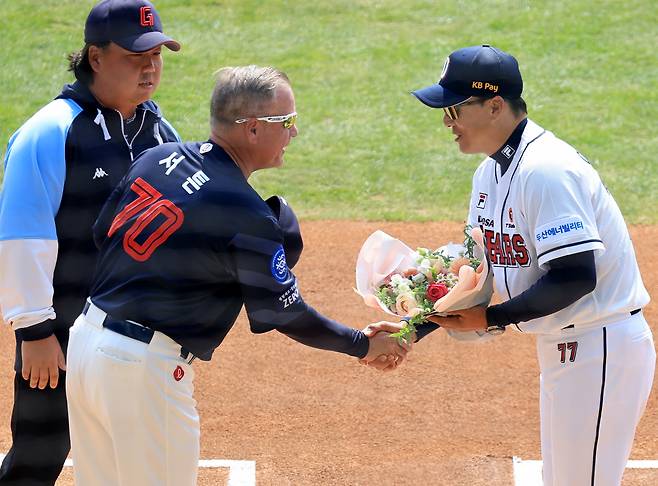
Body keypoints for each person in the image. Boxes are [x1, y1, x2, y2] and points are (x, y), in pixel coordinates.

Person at [65, 65, 409, 486]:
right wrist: (362, 344)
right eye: (287, 122)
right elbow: (284, 313)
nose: (294, 134)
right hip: (142, 373)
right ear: (251, 129)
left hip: (85, 347)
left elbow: (104, 233)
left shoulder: (157, 158)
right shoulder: (245, 212)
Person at [405, 44, 654, 485]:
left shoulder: (547, 171)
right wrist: (412, 328)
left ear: (495, 105)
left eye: (455, 109)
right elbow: (477, 272)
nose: (447, 122)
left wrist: (494, 318)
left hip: (600, 348)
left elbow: (576, 276)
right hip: (568, 349)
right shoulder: (489, 174)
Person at [0, 1, 181, 483]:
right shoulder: (51, 132)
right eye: (135, 55)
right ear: (95, 58)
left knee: (132, 450)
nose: (150, 67)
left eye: (157, 55)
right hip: (59, 330)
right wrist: (33, 331)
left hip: (137, 331)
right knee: (41, 454)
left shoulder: (160, 132)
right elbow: (22, 237)